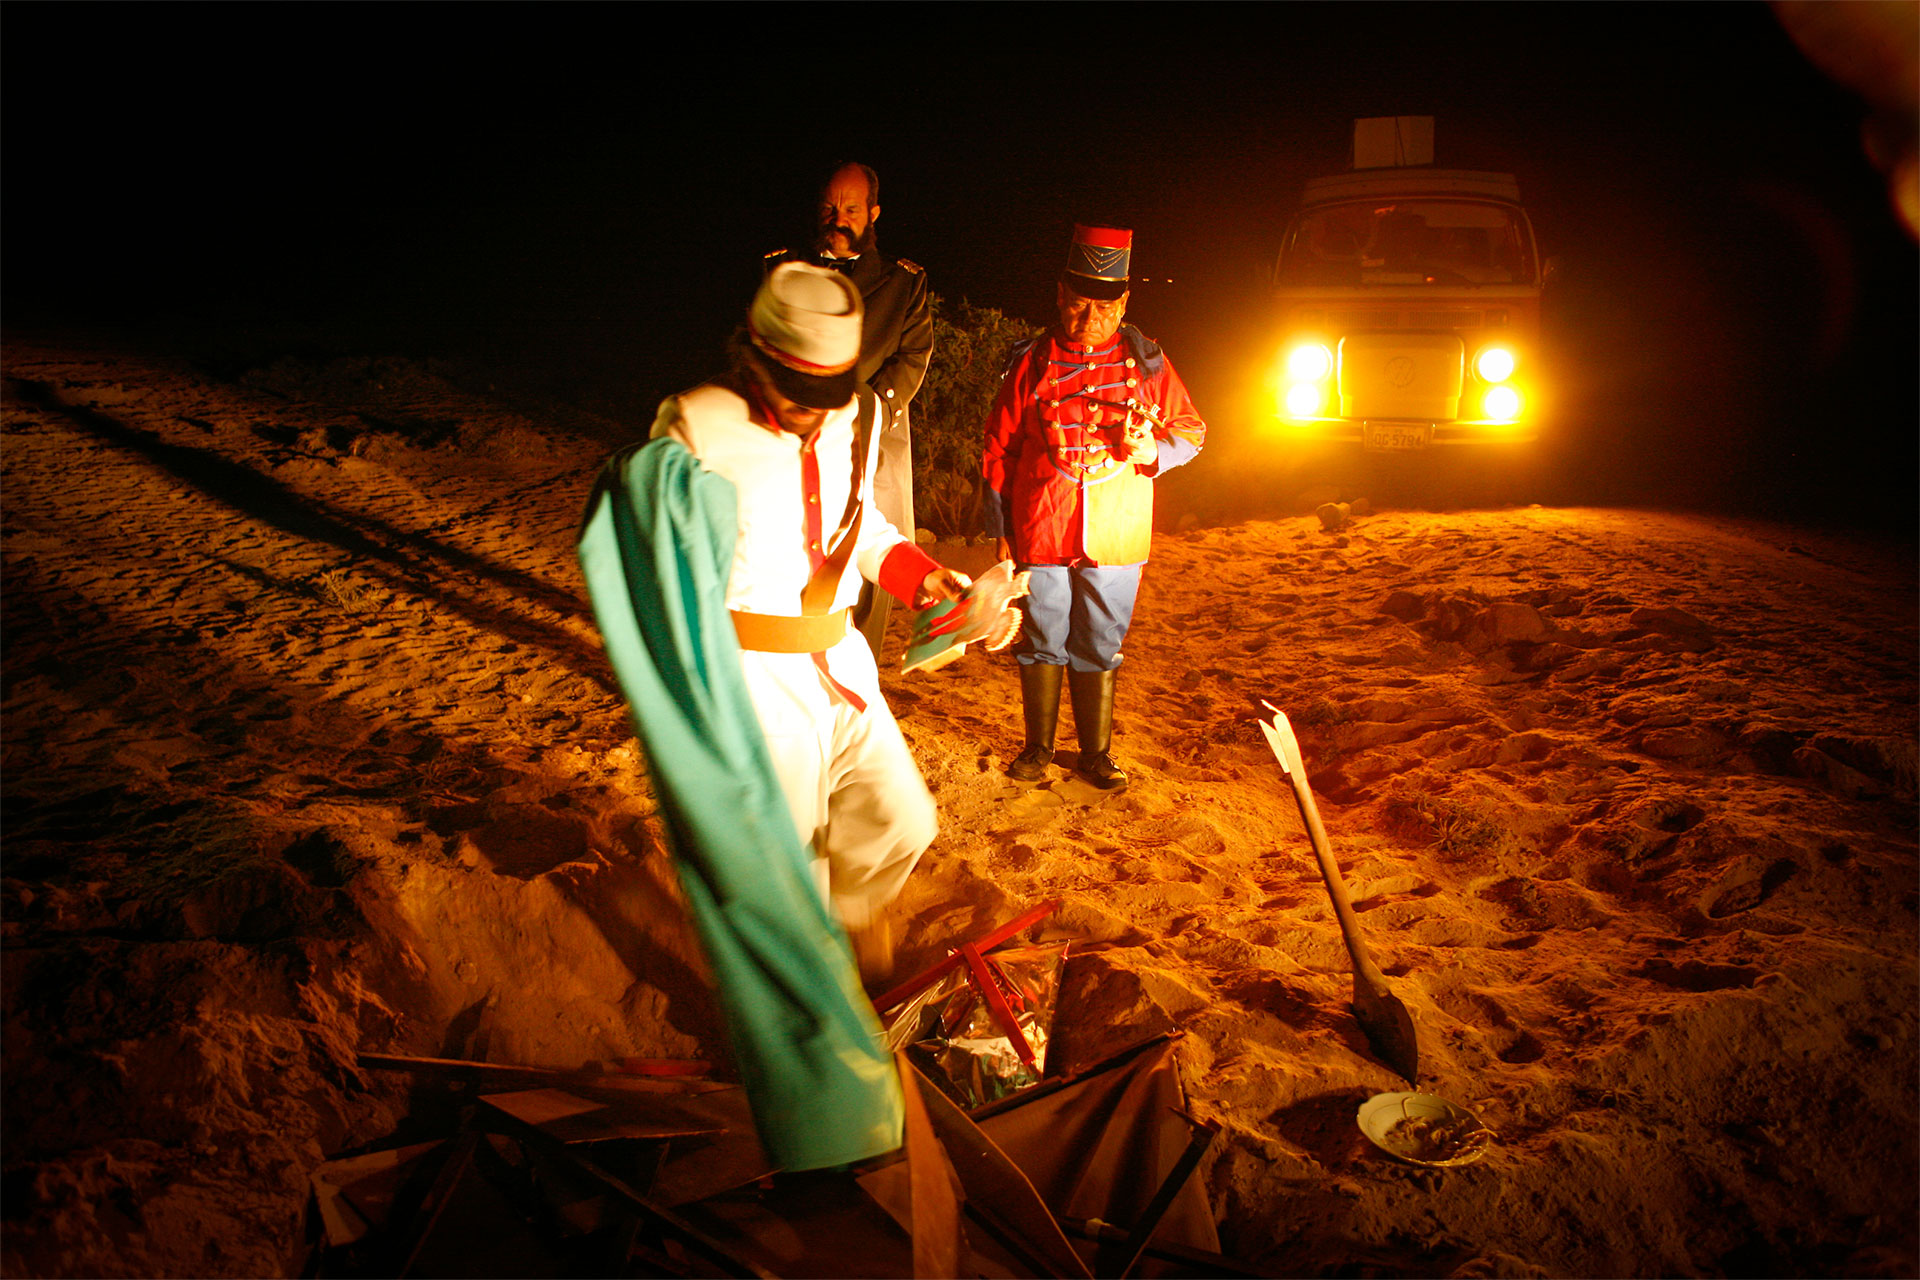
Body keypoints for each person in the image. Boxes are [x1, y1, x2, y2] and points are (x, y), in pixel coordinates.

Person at [576, 262, 977, 1171]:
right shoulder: (695, 428)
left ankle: (841, 981)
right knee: (780, 867)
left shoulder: (856, 416)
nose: (811, 409)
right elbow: (656, 555)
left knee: (902, 819)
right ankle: (809, 1073)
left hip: (841, 659)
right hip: (752, 675)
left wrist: (924, 578)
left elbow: (859, 524)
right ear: (754, 355)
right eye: (797, 391)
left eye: (825, 392)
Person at [980, 225, 1207, 790]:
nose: (1089, 319)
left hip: (1118, 526)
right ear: (1060, 294)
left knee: (1102, 637)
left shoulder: (1148, 363)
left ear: (1123, 303)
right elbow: (997, 448)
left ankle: (1095, 754)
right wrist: (1000, 529)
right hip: (1040, 521)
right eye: (1079, 306)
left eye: (1104, 308)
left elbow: (1193, 431)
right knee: (1041, 633)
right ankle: (1036, 748)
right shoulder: (1031, 361)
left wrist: (1152, 449)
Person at [765, 162, 933, 662]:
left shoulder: (905, 281)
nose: (839, 218)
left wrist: (860, 412)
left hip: (873, 437)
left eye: (852, 209)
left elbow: (913, 357)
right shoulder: (781, 267)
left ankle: (859, 673)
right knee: (794, 552)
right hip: (793, 435)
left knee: (870, 554)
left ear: (873, 213)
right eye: (829, 207)